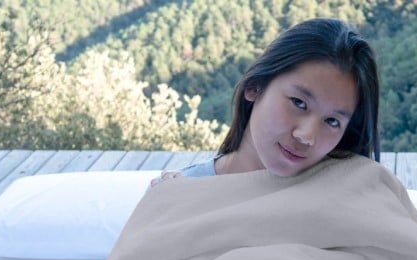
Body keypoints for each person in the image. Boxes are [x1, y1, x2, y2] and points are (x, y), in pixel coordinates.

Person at [151, 17, 380, 186]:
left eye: (332, 121)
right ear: (254, 87)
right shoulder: (180, 194)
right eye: (299, 103)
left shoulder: (344, 200)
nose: (306, 136)